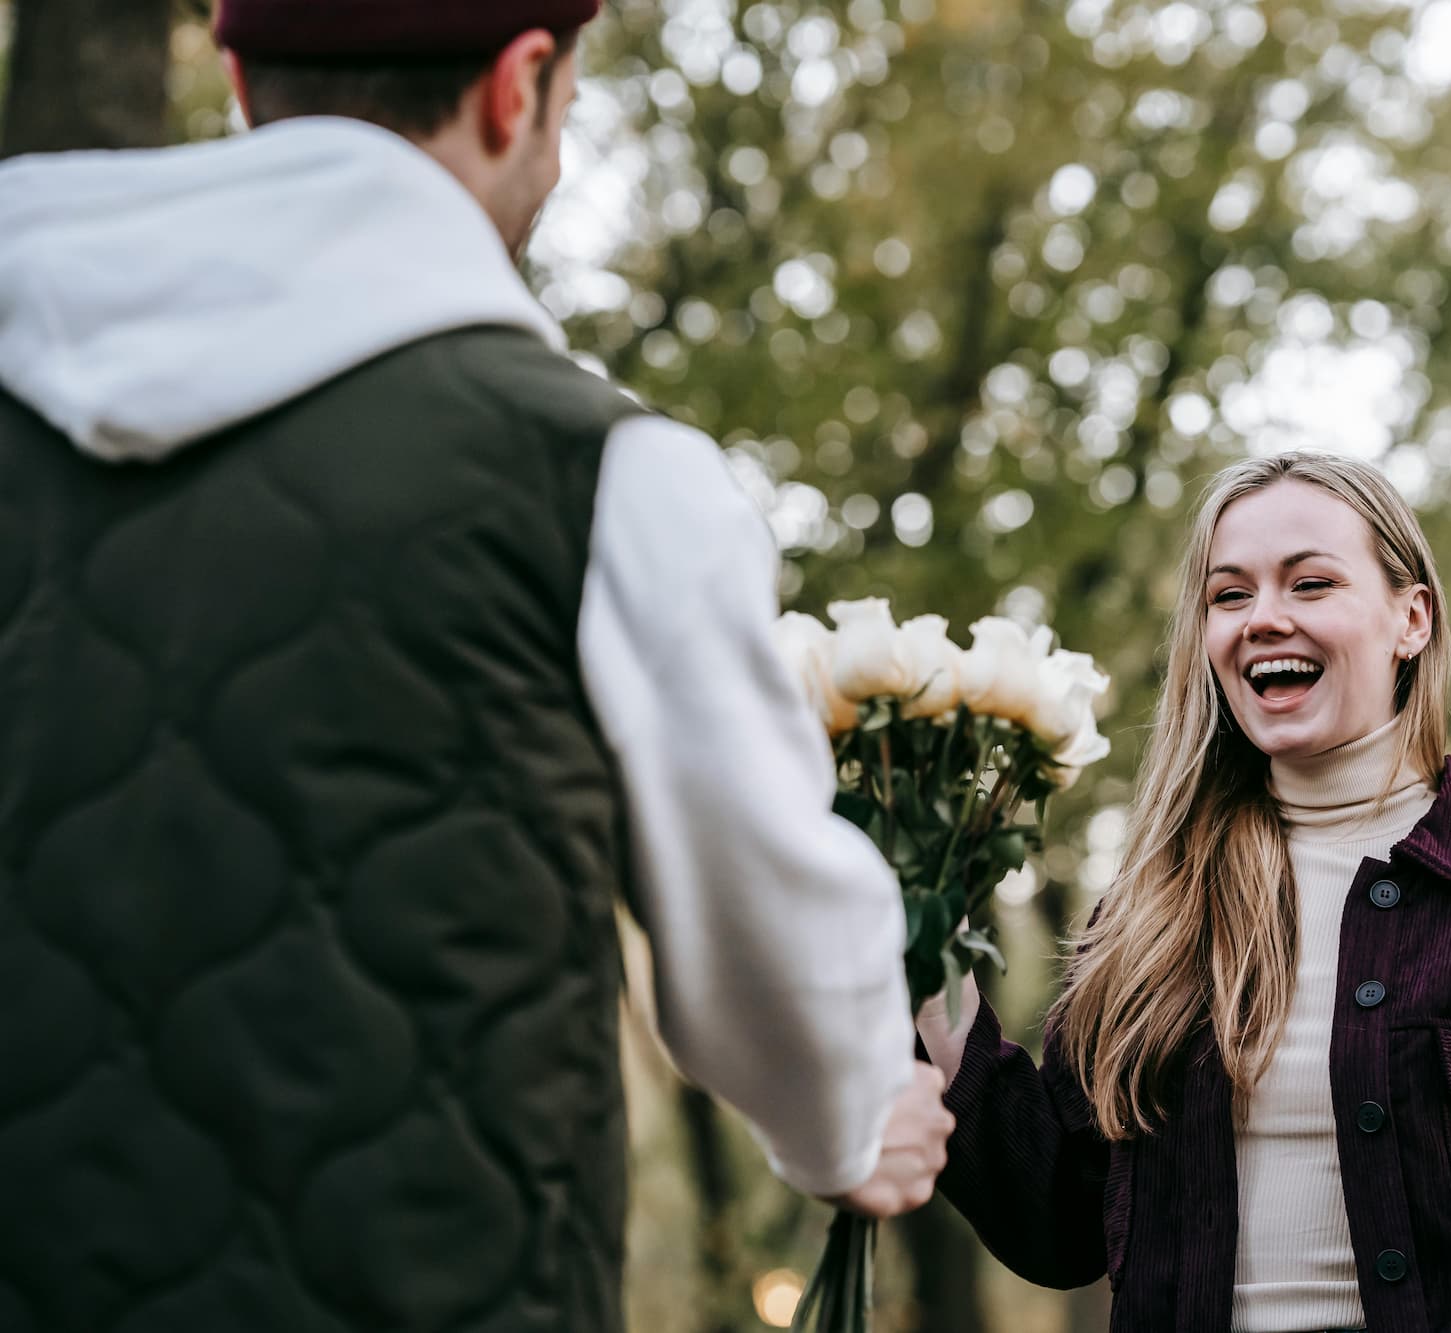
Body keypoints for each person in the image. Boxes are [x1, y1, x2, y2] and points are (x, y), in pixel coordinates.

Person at [0, 4, 951, 1331]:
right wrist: (854, 1119)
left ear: (232, 76)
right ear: (522, 87)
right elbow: (765, 947)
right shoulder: (604, 475)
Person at [918, 451, 1451, 1333]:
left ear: (1412, 617)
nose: (1264, 619)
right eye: (1229, 595)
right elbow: (1051, 1217)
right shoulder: (1148, 911)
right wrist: (923, 943)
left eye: (1310, 583)